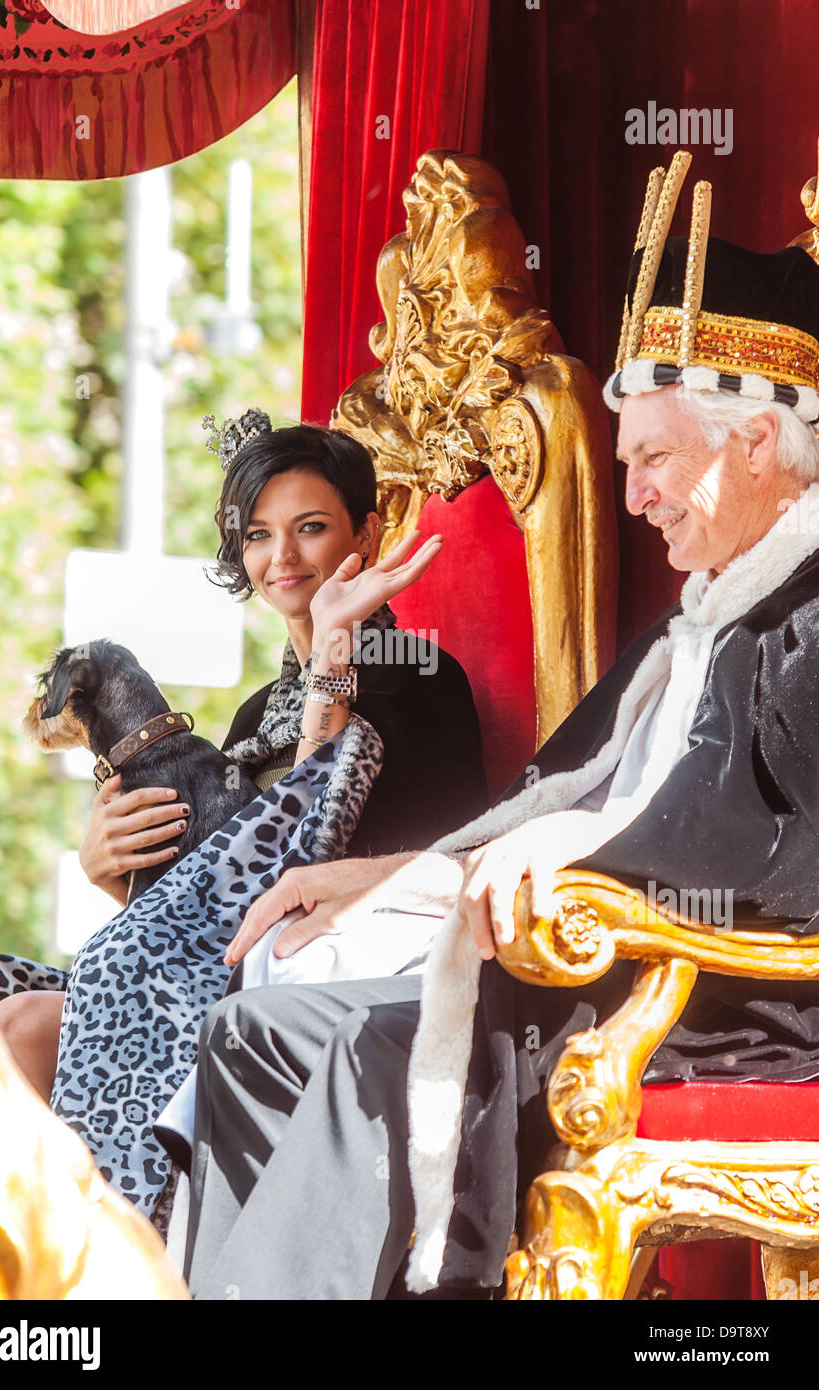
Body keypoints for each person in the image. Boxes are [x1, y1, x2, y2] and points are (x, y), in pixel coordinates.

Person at [179, 153, 819, 1300]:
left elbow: (760, 852)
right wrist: (392, 874)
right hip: (602, 944)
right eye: (627, 468)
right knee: (251, 1035)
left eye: (657, 460)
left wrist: (571, 864)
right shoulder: (703, 617)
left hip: (720, 996)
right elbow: (566, 793)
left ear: (758, 444)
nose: (635, 499)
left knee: (364, 1053)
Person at [0, 412, 486, 1213]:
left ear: (368, 534)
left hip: (335, 987)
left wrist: (338, 647)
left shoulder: (419, 680)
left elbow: (310, 841)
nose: (282, 558)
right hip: (215, 970)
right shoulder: (251, 718)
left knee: (29, 1028)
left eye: (310, 529)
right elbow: (207, 888)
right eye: (258, 534)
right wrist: (108, 868)